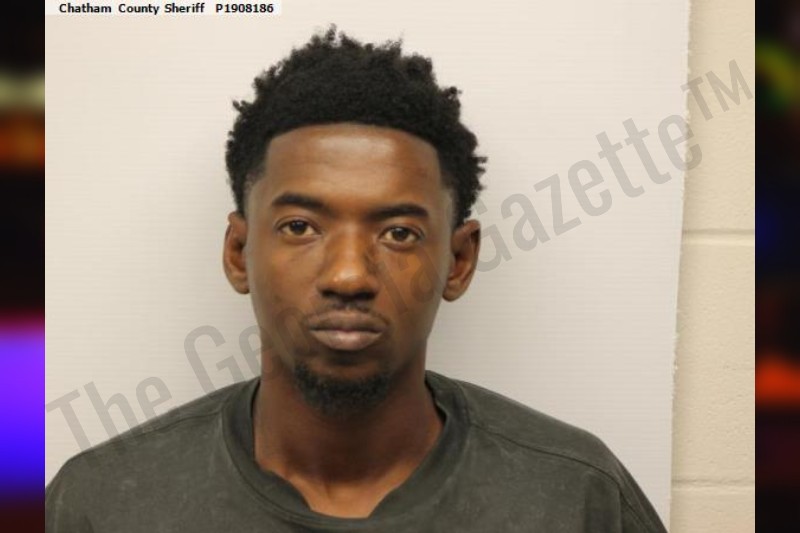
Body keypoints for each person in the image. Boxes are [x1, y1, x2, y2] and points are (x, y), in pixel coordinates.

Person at [45, 27, 668, 532]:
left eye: (398, 233)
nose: (348, 275)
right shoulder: (105, 503)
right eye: (299, 227)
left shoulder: (574, 497)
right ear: (239, 252)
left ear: (458, 261)